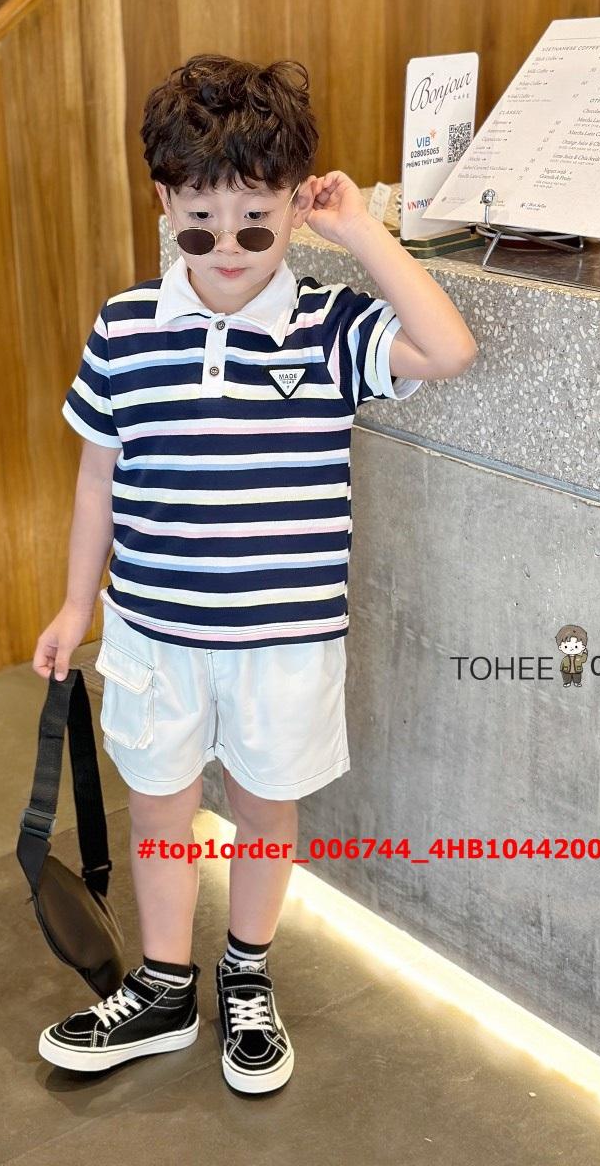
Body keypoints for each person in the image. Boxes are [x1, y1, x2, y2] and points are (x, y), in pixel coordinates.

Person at [32, 54, 477, 1094]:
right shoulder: (125, 328)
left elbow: (448, 349)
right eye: (200, 223)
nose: (227, 248)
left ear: (292, 207)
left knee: (266, 808)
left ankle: (246, 972)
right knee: (159, 810)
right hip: (154, 632)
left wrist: (358, 231)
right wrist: (74, 603)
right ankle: (165, 985)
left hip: (286, 639)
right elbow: (98, 479)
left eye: (256, 222)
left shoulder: (327, 327)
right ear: (164, 204)